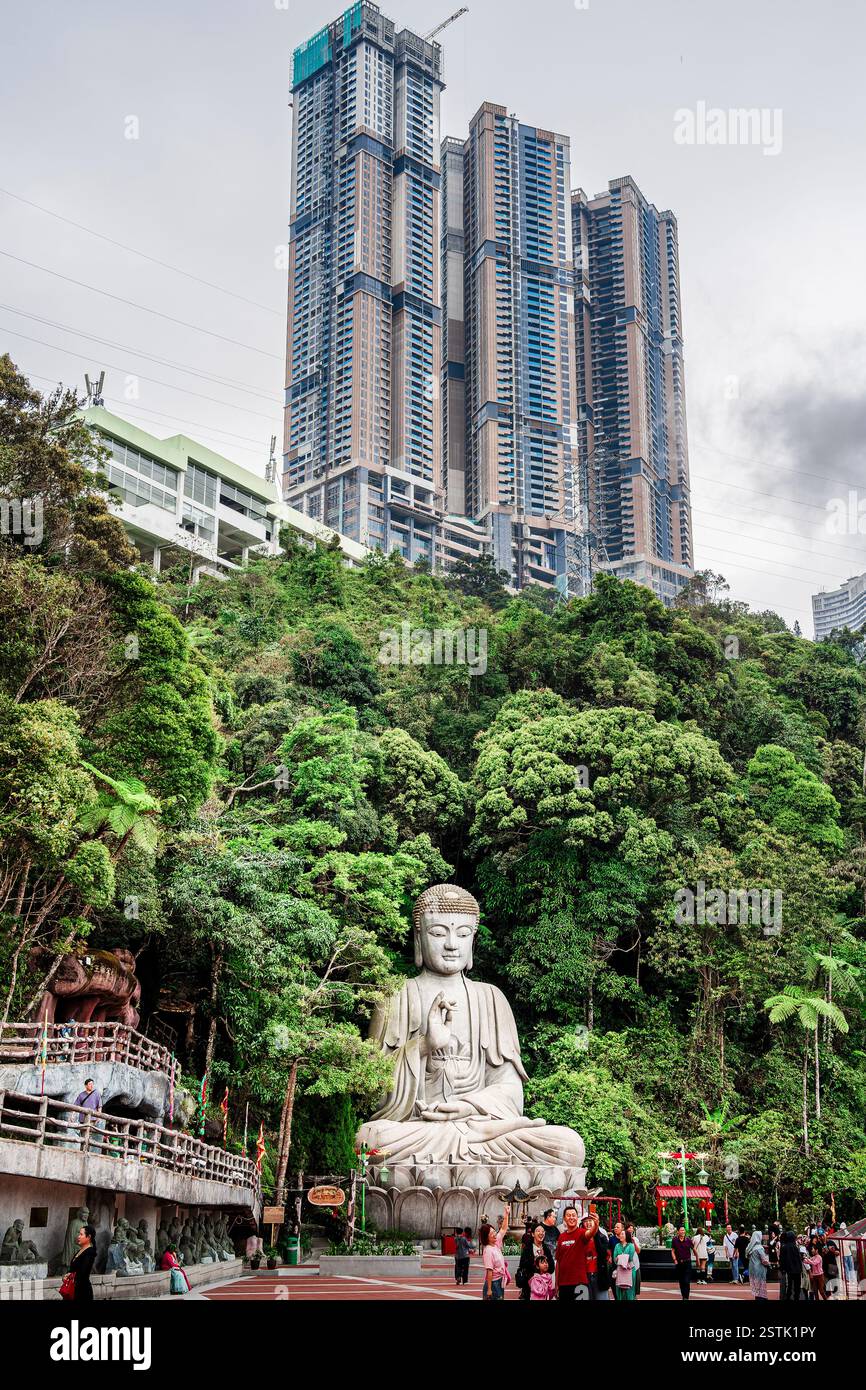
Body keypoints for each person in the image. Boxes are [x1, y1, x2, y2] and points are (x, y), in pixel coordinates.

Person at [555, 1207, 598, 1301]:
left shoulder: (582, 1233)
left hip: (580, 1284)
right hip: (563, 1285)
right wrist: (556, 1284)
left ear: (577, 1217)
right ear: (564, 1218)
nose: (571, 1217)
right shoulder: (561, 1237)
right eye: (568, 1215)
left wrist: (596, 1224)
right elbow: (558, 1262)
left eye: (573, 1215)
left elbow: (591, 1233)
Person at [480, 1203, 510, 1301]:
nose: (494, 1234)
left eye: (494, 1232)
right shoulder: (488, 1250)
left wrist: (506, 1214)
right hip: (493, 1283)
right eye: (492, 1233)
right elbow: (489, 1271)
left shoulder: (495, 1243)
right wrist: (489, 1289)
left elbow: (503, 1229)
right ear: (486, 1237)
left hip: (499, 1281)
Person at [517, 1223, 547, 1301]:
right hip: (529, 1287)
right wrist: (537, 1266)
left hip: (544, 1286)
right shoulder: (527, 1249)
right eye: (538, 1231)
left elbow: (551, 1267)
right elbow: (523, 1265)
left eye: (543, 1231)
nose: (541, 1233)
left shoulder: (546, 1249)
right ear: (533, 1234)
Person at [69, 1223, 97, 1302]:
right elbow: (73, 1268)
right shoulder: (80, 1250)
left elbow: (82, 1272)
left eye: (81, 1234)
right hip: (74, 1288)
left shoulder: (89, 1252)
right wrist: (68, 1274)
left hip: (82, 1291)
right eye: (79, 1234)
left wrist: (70, 1275)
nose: (78, 1236)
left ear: (88, 1237)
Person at [612, 1228, 637, 1301]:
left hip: (630, 1270)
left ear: (627, 1236)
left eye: (622, 1234)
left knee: (629, 1291)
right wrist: (621, 1257)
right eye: (620, 1234)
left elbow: (629, 1258)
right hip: (620, 1270)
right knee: (619, 1290)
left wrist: (619, 1257)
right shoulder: (617, 1246)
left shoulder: (631, 1246)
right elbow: (615, 1259)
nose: (620, 1235)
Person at [746, 1229, 770, 1300]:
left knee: (756, 1286)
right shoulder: (759, 1248)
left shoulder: (750, 1247)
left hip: (752, 1269)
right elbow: (764, 1260)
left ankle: (758, 1297)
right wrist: (769, 1264)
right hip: (759, 1269)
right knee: (761, 1286)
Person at [778, 1230, 801, 1301]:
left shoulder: (784, 1247)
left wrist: (782, 1269)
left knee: (789, 1287)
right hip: (797, 1270)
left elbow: (782, 1260)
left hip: (788, 1270)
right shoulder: (795, 1247)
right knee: (797, 1288)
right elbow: (798, 1259)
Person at [672, 1225, 693, 1300]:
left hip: (687, 1262)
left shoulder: (688, 1240)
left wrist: (697, 1259)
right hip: (679, 1263)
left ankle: (686, 1297)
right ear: (678, 1232)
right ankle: (683, 1296)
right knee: (681, 1281)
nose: (683, 1232)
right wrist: (674, 1259)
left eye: (683, 1230)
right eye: (681, 1230)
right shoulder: (674, 1240)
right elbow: (673, 1251)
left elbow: (694, 1249)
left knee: (687, 1281)